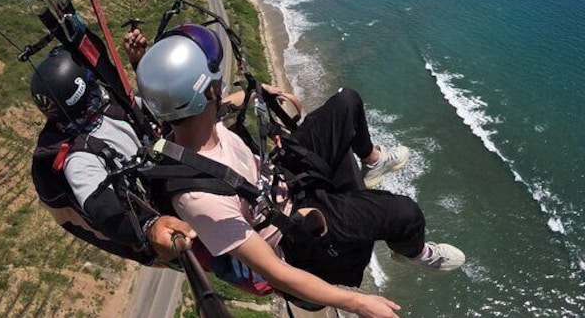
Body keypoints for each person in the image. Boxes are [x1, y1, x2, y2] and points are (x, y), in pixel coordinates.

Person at [134, 24, 465, 318]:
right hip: (291, 231)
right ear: (207, 92)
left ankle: (374, 159)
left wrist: (257, 91)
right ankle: (415, 253)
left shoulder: (191, 125)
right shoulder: (199, 198)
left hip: (278, 179)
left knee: (347, 103)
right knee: (405, 214)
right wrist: (358, 303)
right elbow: (276, 272)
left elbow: (219, 107)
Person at [30, 46, 195, 263]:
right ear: (81, 89)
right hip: (168, 217)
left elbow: (160, 106)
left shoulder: (112, 107)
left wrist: (140, 62)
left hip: (176, 180)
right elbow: (102, 208)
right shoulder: (78, 158)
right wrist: (150, 227)